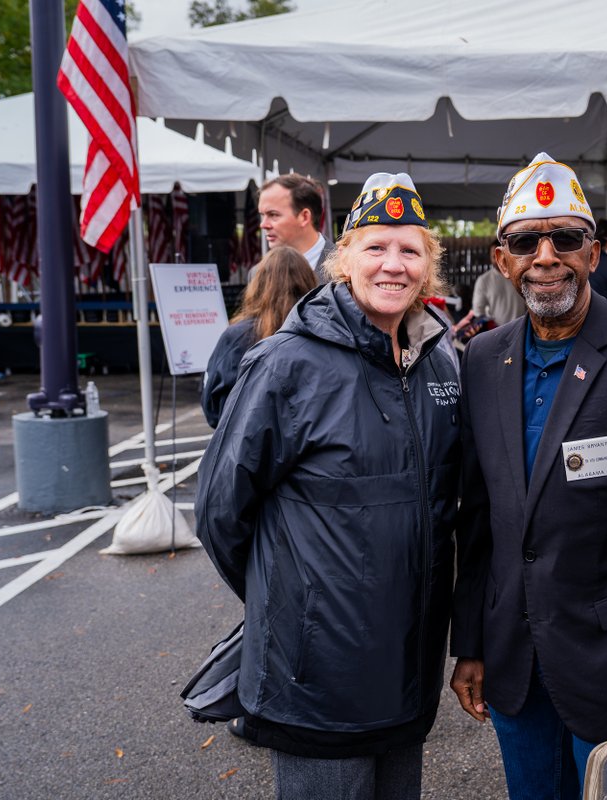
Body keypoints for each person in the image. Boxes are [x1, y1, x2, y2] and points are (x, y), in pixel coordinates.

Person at [449, 153, 607, 800]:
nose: (546, 255)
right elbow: (477, 520)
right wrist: (471, 645)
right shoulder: (481, 359)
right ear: (501, 259)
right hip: (513, 666)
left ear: (593, 253)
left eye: (565, 237)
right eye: (525, 241)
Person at [195, 172, 460, 800]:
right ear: (343, 259)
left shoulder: (439, 362)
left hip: (408, 674)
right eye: (375, 247)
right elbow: (219, 512)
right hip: (316, 684)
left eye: (409, 250)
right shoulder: (286, 364)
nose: (393, 265)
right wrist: (291, 600)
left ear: (428, 267)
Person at [200, 246, 317, 428]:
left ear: (259, 283)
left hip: (249, 444)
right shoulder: (322, 330)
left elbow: (214, 406)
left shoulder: (238, 336)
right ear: (309, 282)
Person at [257, 173, 335, 279]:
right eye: (262, 215)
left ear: (304, 217)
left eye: (273, 215)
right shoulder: (258, 274)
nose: (263, 225)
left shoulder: (347, 269)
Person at [450, 264, 527, 338]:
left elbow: (478, 313)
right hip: (515, 332)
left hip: (504, 332)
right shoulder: (521, 277)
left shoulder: (485, 280)